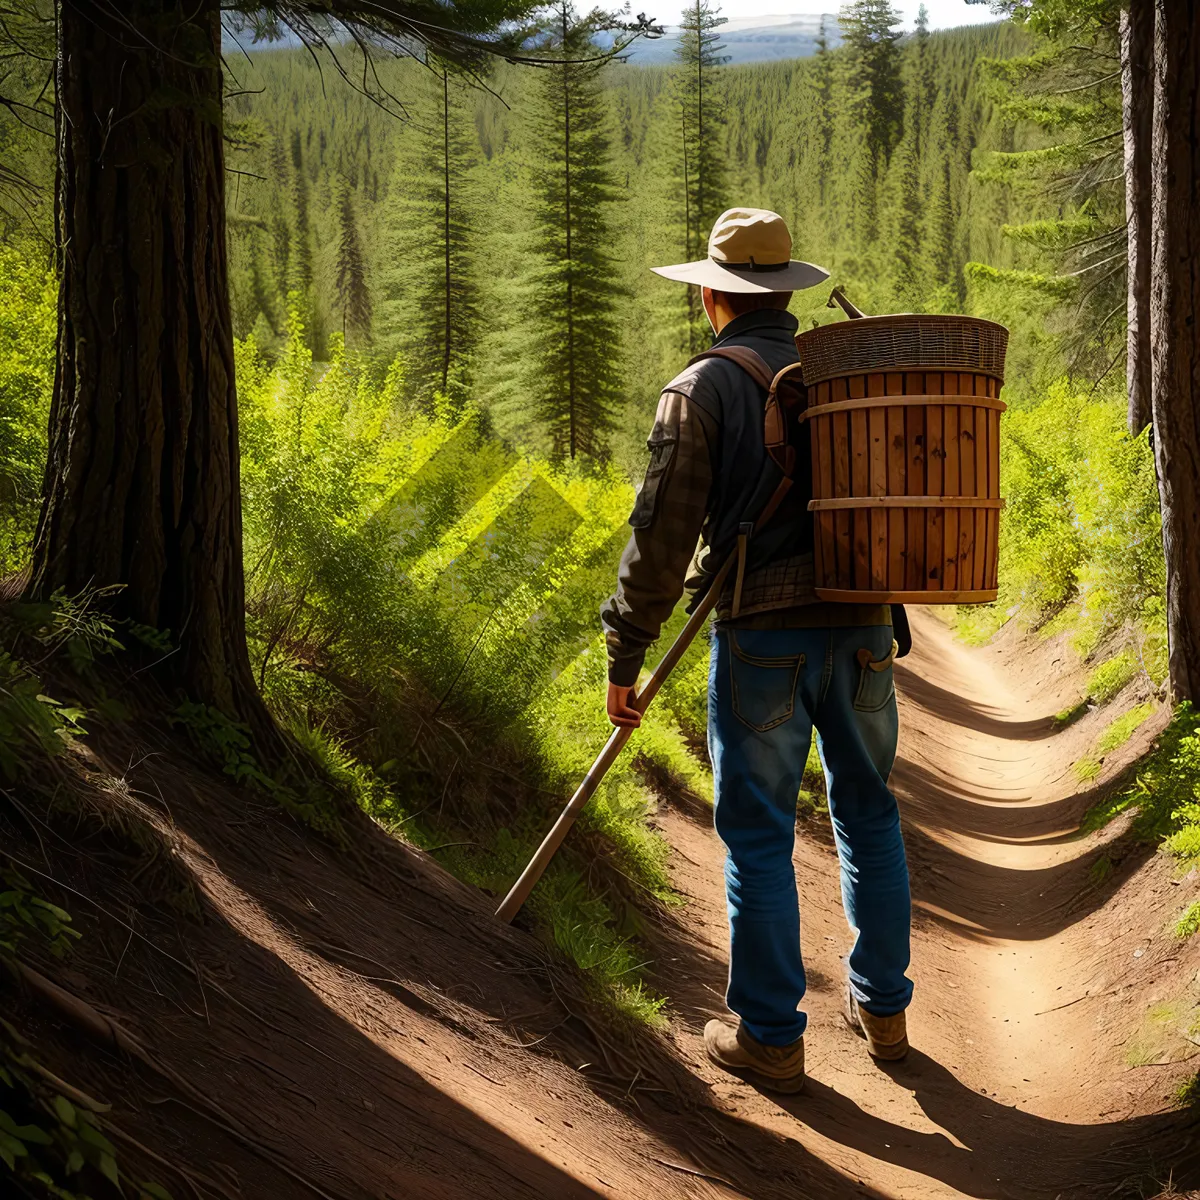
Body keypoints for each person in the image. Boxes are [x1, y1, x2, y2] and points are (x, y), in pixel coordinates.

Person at [600, 208, 913, 1095]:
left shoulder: (701, 388)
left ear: (712, 296)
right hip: (862, 635)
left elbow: (660, 536)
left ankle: (773, 1034)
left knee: (759, 836)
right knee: (870, 813)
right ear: (785, 290)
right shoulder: (843, 376)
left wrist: (626, 653)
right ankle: (884, 1010)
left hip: (760, 643)